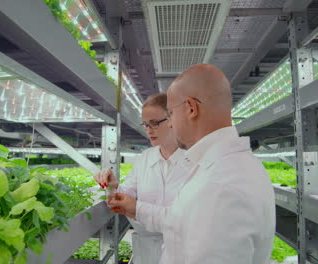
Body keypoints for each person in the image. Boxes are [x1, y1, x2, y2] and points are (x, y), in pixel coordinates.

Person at [109, 64, 276, 264]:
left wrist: (136, 208)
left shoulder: (219, 184)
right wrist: (133, 206)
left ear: (191, 108)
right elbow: (178, 222)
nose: (170, 123)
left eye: (170, 113)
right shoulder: (222, 167)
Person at [94, 93, 187, 264]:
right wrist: (114, 187)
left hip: (182, 253)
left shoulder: (194, 161)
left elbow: (189, 219)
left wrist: (137, 208)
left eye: (155, 123)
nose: (149, 130)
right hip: (145, 254)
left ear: (174, 119)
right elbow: (128, 192)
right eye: (145, 124)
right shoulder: (144, 158)